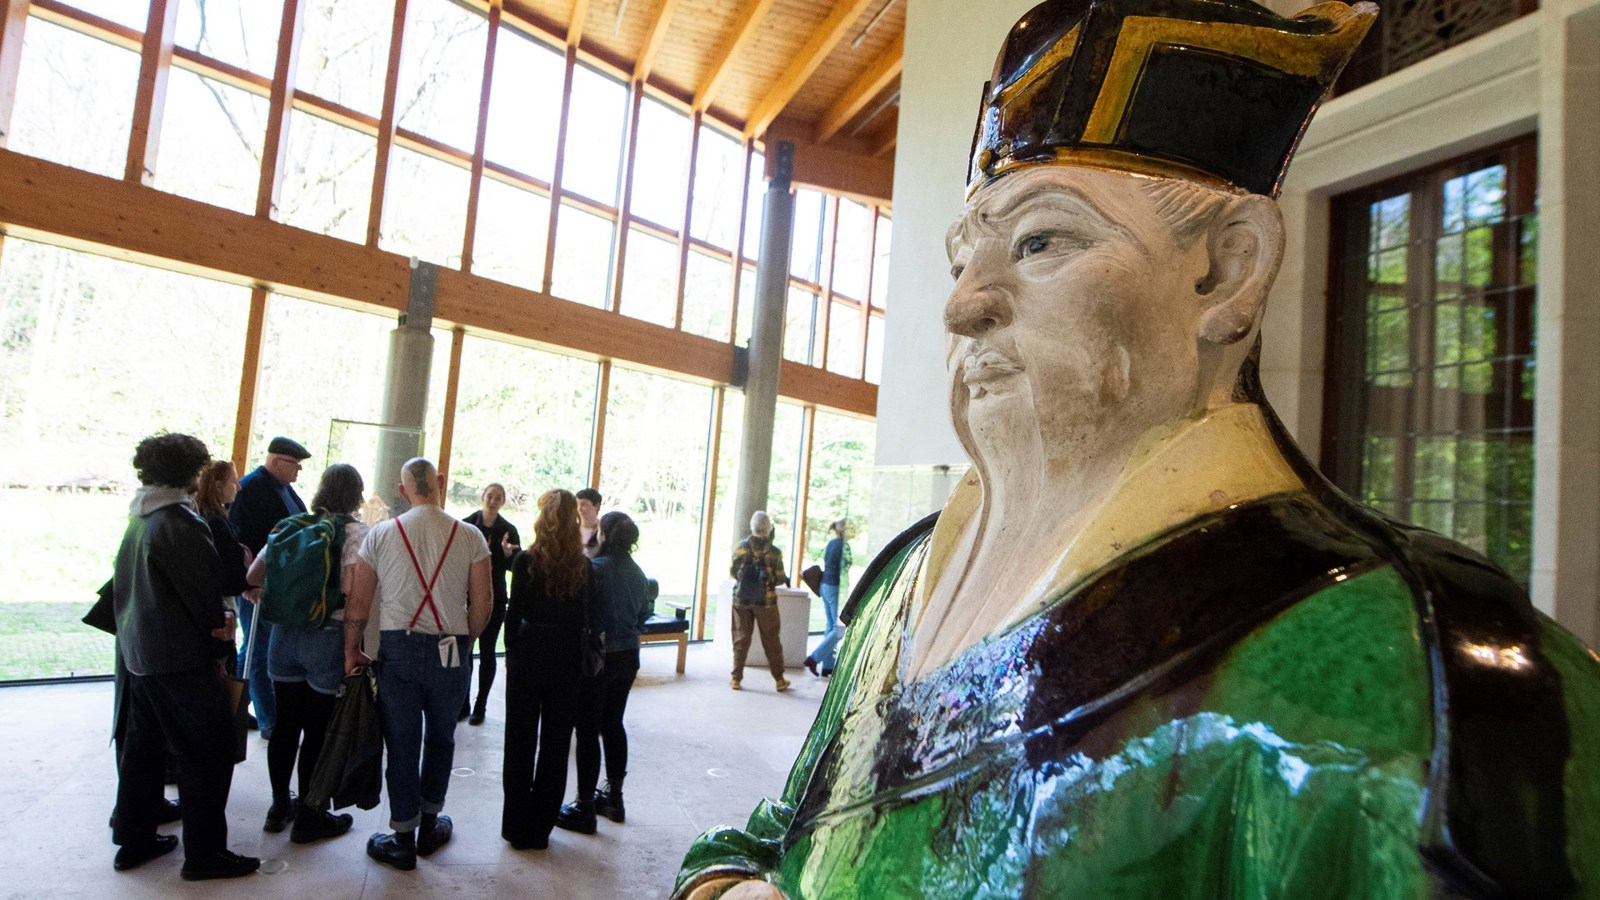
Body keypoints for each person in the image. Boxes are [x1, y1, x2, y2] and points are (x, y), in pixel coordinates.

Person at [673, 1, 1600, 897]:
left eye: (1040, 240)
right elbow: (774, 833)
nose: (963, 305)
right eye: (965, 257)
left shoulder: (1428, 687)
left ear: (1226, 271)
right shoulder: (897, 587)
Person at [110, 433, 259, 881]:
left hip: (141, 655)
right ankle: (205, 855)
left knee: (143, 751)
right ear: (190, 473)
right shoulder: (180, 522)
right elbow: (203, 598)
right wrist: (220, 647)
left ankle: (133, 840)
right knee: (207, 755)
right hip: (179, 659)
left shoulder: (140, 516)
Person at [342, 457, 492, 871]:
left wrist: (351, 649)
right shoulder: (470, 535)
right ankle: (431, 824)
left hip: (399, 650)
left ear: (403, 489)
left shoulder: (382, 535)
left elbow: (359, 602)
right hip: (451, 649)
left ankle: (402, 835)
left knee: (402, 743)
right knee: (442, 739)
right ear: (440, 484)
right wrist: (465, 642)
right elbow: (483, 604)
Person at [247, 463, 368, 842]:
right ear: (357, 496)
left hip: (283, 637)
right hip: (326, 635)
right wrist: (354, 647)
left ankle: (279, 805)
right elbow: (353, 593)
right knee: (317, 730)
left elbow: (253, 576)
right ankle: (310, 815)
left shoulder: (293, 526)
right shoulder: (356, 533)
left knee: (285, 726)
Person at [500, 489, 594, 851]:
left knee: (519, 741)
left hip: (528, 652)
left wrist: (510, 649)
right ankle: (541, 829)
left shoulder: (526, 561)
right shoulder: (583, 566)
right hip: (567, 656)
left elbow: (514, 611)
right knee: (556, 745)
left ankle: (516, 826)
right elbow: (587, 615)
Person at [556, 511, 655, 833]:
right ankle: (614, 797)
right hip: (628, 656)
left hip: (598, 658)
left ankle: (584, 805)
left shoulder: (594, 570)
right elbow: (643, 614)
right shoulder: (639, 575)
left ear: (604, 535)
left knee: (587, 729)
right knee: (613, 724)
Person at [228, 436, 312, 739]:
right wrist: (246, 583)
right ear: (276, 461)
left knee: (252, 650)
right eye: (295, 464)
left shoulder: (284, 489)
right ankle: (269, 721)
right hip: (257, 587)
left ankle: (234, 710)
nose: (299, 471)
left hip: (276, 586)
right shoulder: (250, 489)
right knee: (259, 651)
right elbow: (237, 543)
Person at [462, 483, 521, 725]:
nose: (493, 501)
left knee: (487, 651)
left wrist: (508, 555)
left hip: (495, 597)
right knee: (465, 650)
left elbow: (517, 567)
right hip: (465, 596)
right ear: (482, 497)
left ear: (503, 502)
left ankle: (480, 705)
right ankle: (462, 702)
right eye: (490, 496)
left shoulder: (508, 530)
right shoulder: (466, 525)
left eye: (498, 497)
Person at [193, 461, 251, 675]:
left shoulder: (204, 517)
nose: (239, 486)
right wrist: (242, 561)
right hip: (221, 604)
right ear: (218, 485)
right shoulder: (216, 523)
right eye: (234, 481)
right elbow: (230, 576)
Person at [727, 511, 789, 693]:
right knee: (771, 640)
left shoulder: (741, 547)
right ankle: (779, 680)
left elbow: (733, 572)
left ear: (752, 527)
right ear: (768, 528)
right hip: (766, 602)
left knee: (741, 638)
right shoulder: (774, 552)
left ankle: (736, 679)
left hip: (741, 600)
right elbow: (778, 578)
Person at [803, 519, 851, 678]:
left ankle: (828, 667)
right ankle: (814, 658)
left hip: (824, 586)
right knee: (839, 629)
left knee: (830, 625)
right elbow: (845, 567)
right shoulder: (844, 546)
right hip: (835, 587)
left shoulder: (831, 544)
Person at [576, 487, 602, 558]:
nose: (579, 508)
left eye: (583, 504)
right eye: (577, 504)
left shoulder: (603, 530)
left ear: (596, 506)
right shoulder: (571, 528)